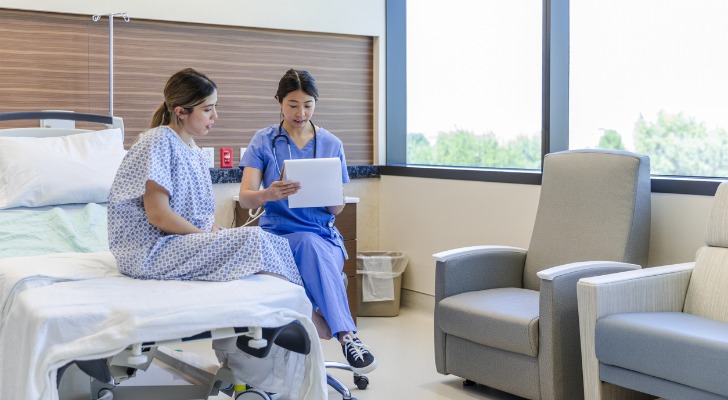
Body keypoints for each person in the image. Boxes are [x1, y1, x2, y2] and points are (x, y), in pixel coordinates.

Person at [237, 69, 377, 374]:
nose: (301, 113)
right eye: (292, 104)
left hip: (320, 234)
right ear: (279, 102)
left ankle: (337, 330)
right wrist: (269, 194)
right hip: (277, 235)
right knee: (304, 244)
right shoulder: (264, 140)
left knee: (310, 243)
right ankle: (346, 334)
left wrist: (326, 192)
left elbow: (337, 209)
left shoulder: (331, 143)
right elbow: (246, 198)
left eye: (308, 105)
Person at [107, 68, 301, 286]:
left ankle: (301, 308)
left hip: (181, 241)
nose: (215, 116)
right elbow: (158, 215)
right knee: (254, 239)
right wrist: (206, 237)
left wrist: (212, 232)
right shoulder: (157, 141)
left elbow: (197, 215)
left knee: (271, 241)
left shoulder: (195, 152)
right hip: (150, 251)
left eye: (215, 107)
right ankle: (310, 316)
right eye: (208, 109)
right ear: (180, 112)